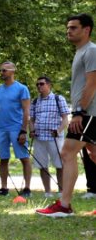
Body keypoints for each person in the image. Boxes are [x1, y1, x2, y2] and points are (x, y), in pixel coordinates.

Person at [37, 14, 96, 217]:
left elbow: (92, 83)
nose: (68, 31)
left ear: (86, 29)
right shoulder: (81, 52)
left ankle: (64, 206)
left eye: (73, 27)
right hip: (88, 113)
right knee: (93, 154)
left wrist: (79, 112)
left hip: (87, 113)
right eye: (68, 27)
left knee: (67, 154)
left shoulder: (91, 51)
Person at [0, 61, 32, 197]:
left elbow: (26, 111)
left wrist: (23, 131)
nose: (1, 73)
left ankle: (27, 189)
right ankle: (4, 188)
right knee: (3, 158)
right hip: (0, 129)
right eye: (0, 70)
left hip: (17, 128)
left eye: (4, 70)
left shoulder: (22, 88)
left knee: (24, 158)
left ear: (12, 72)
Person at [28, 76, 70, 198]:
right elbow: (31, 120)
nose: (39, 86)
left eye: (41, 84)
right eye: (37, 84)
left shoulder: (58, 99)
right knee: (42, 165)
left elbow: (65, 119)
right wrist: (32, 131)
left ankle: (61, 191)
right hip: (39, 138)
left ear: (49, 85)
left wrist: (58, 131)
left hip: (55, 138)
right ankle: (47, 192)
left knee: (60, 165)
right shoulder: (34, 102)